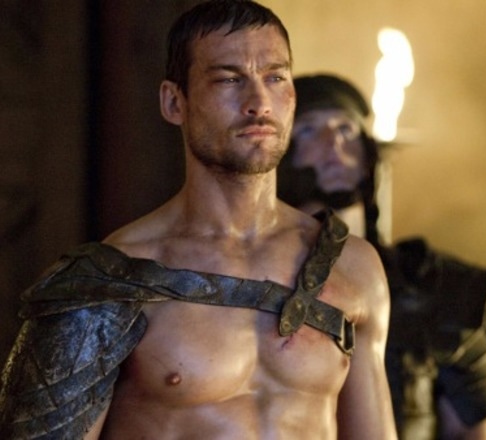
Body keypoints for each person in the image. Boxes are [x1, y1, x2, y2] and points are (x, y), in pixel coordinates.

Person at [0, 3, 398, 439]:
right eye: (229, 79)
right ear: (175, 102)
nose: (258, 103)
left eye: (275, 77)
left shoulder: (352, 266)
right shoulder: (111, 279)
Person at [277, 73, 486, 439]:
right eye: (308, 130)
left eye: (346, 128)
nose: (334, 142)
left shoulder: (432, 284)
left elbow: (473, 429)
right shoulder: (264, 277)